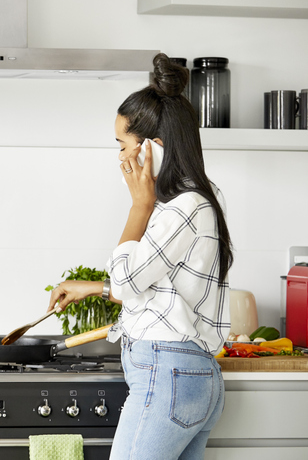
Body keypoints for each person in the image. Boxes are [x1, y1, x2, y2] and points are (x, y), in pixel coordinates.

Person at [47, 53, 233, 460]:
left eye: (123, 145)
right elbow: (149, 289)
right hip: (188, 375)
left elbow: (129, 281)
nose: (120, 157)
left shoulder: (180, 207)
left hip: (169, 373)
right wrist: (92, 287)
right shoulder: (194, 201)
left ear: (152, 147)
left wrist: (139, 207)